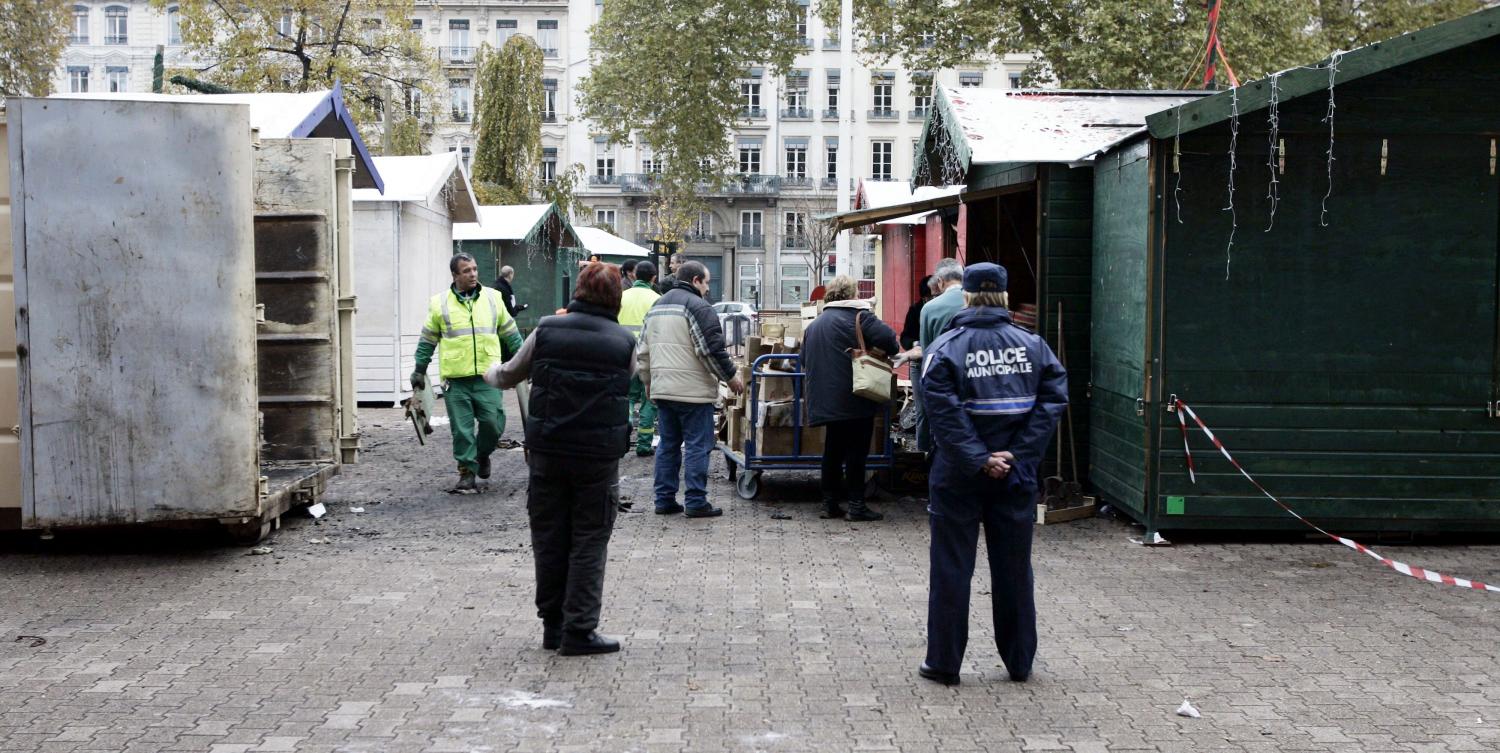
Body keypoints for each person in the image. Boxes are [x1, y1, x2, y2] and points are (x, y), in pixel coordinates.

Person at [917, 262, 1067, 686]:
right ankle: (1019, 662)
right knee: (1014, 569)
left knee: (951, 568)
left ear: (965, 296)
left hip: (959, 475)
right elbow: (1052, 403)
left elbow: (940, 412)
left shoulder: (946, 348)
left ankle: (944, 664)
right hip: (1015, 477)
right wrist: (1017, 456)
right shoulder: (1034, 346)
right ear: (1003, 297)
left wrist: (979, 458)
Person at [485, 262, 636, 656]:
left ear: (579, 290)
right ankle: (580, 630)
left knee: (549, 538)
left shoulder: (547, 329)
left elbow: (509, 375)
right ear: (615, 296)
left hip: (548, 451)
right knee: (589, 539)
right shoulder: (624, 342)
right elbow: (636, 381)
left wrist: (487, 373)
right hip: (598, 458)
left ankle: (552, 626)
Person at [639, 260, 745, 518]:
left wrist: (649, 383)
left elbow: (643, 352)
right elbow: (710, 350)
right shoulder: (698, 307)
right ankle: (696, 501)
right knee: (698, 445)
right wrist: (731, 378)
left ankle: (664, 499)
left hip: (663, 390)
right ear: (696, 280)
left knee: (668, 445)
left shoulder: (657, 305)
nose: (708, 289)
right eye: (706, 282)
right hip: (692, 392)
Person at [413, 253, 524, 492]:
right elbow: (427, 340)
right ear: (455, 275)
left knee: (493, 424)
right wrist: (419, 369)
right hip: (456, 380)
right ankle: (466, 472)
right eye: (466, 271)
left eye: (474, 269)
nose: (473, 274)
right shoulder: (440, 303)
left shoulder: (493, 298)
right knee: (462, 431)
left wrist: (526, 361)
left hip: (489, 376)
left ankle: (482, 455)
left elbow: (511, 333)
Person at [801, 275, 900, 521]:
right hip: (855, 396)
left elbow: (803, 359)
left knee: (832, 451)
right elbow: (891, 342)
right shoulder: (860, 317)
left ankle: (829, 503)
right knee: (857, 452)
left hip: (824, 399)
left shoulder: (815, 324)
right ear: (852, 294)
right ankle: (856, 505)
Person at [901, 259, 965, 452]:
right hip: (968, 371)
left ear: (940, 282)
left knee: (929, 414)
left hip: (936, 371)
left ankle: (927, 456)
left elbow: (927, 351)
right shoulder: (976, 303)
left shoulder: (929, 309)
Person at [619, 261, 661, 456]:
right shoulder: (657, 299)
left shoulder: (621, 296)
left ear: (634, 275)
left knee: (625, 398)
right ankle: (644, 445)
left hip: (622, 355)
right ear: (653, 278)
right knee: (648, 401)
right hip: (648, 357)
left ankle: (623, 430)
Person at [900, 275, 938, 351]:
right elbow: (905, 338)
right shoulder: (915, 310)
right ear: (924, 297)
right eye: (930, 296)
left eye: (937, 296)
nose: (934, 299)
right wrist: (916, 344)